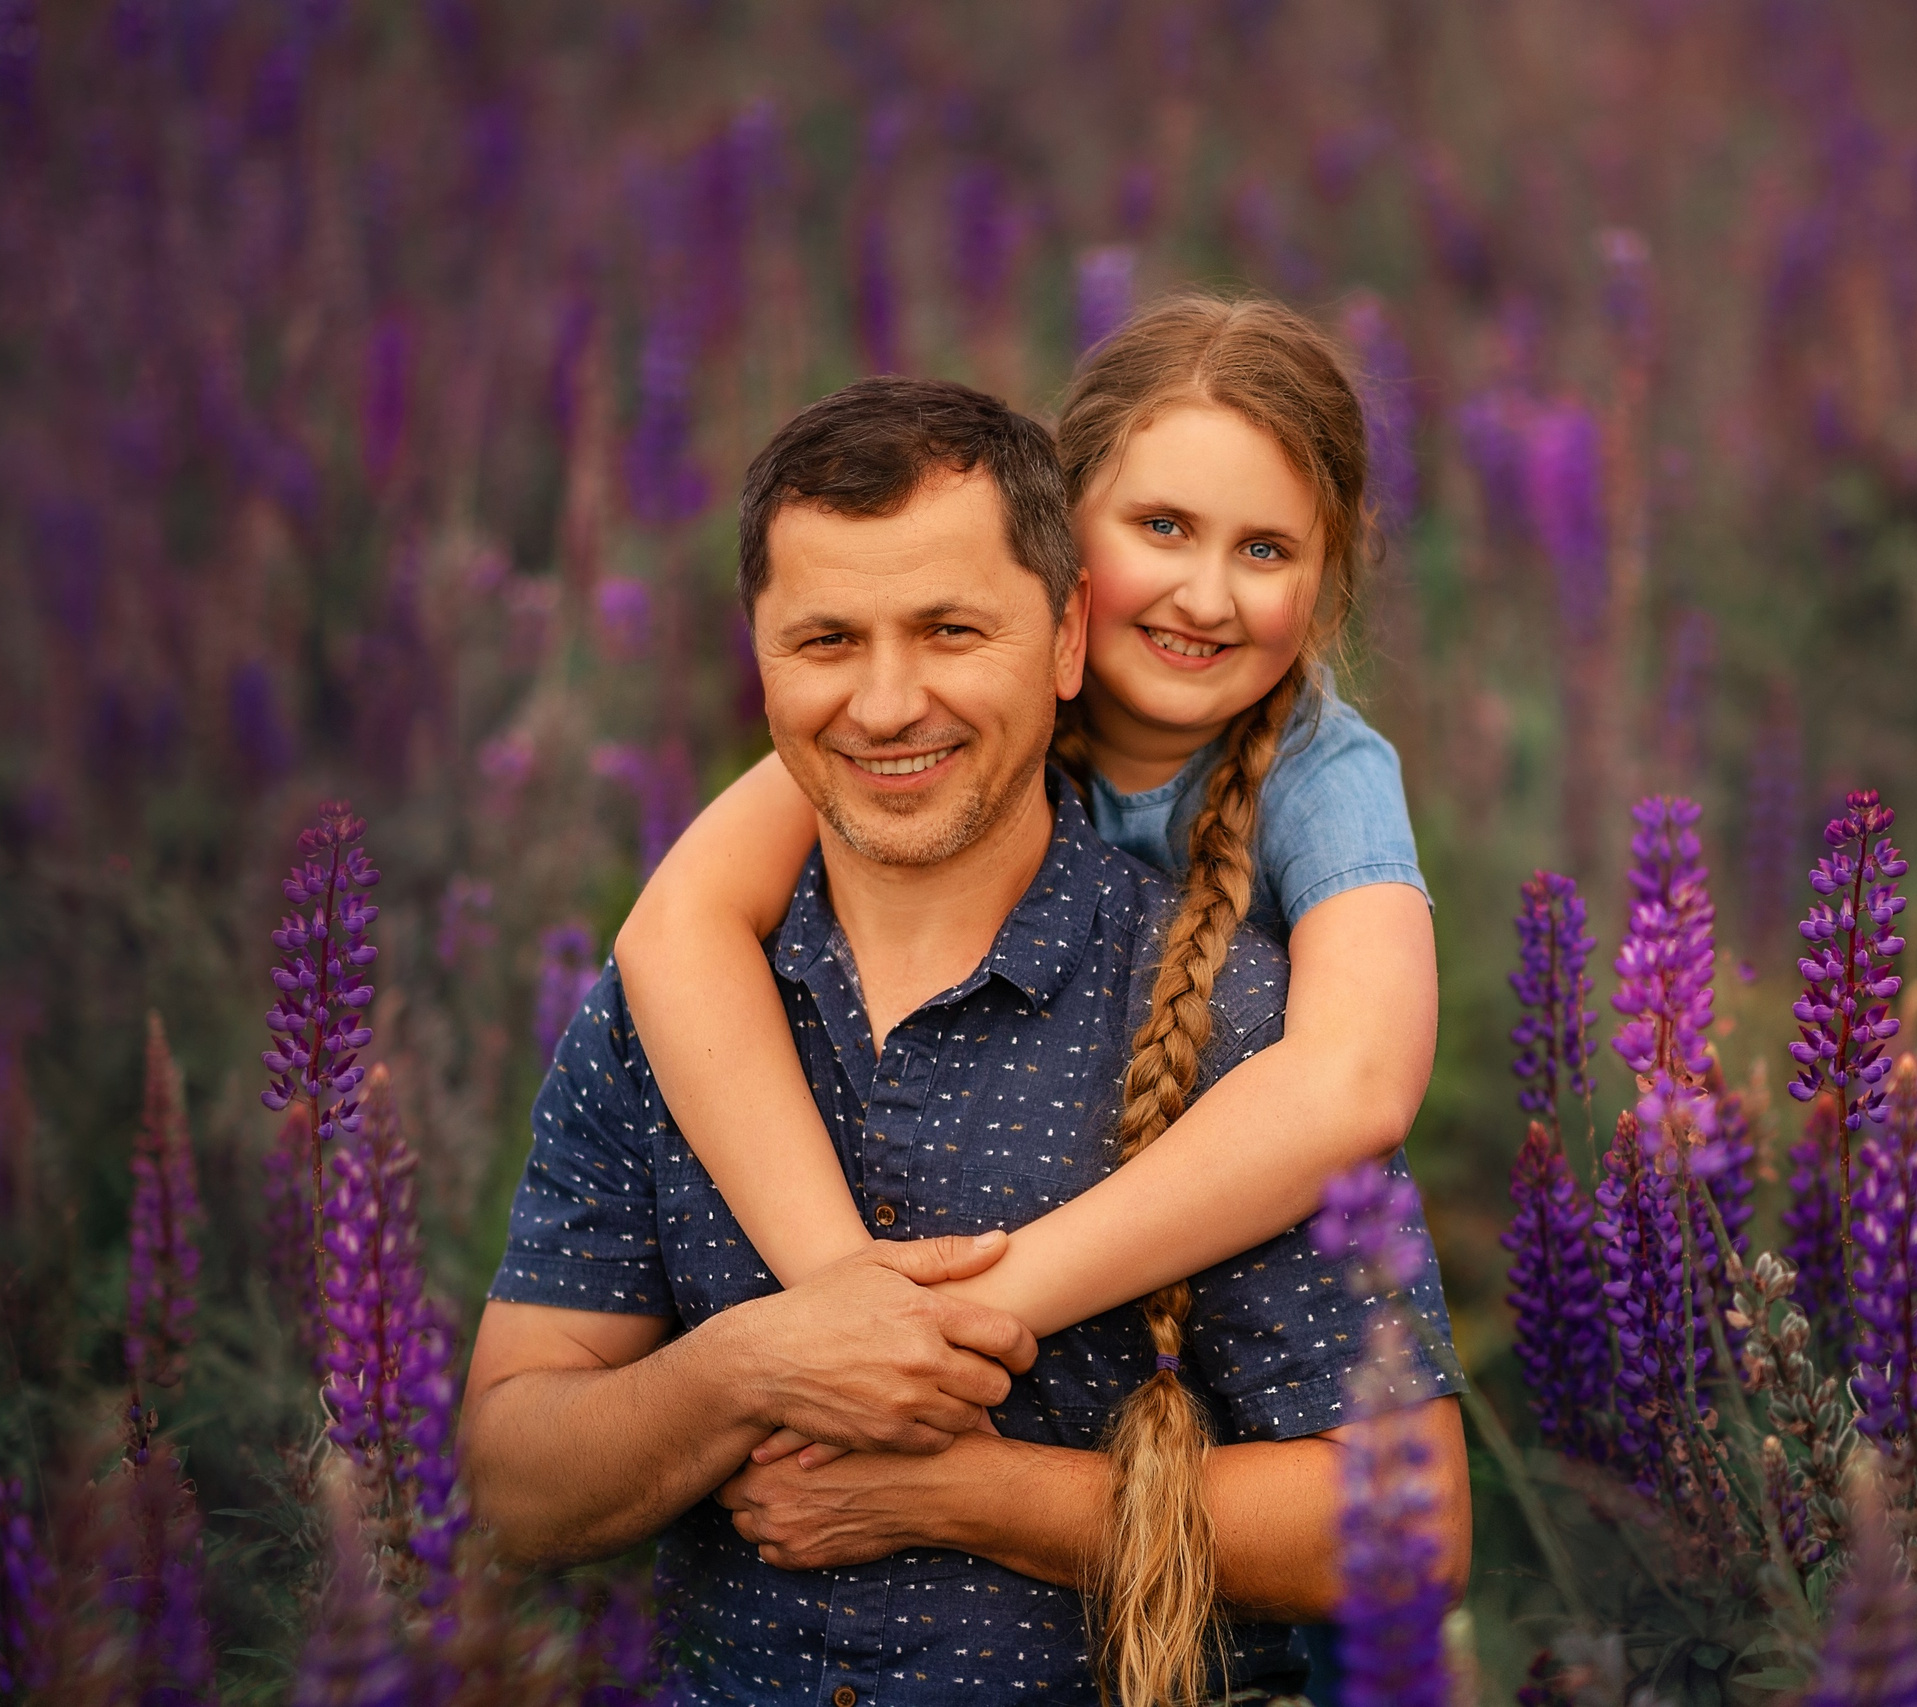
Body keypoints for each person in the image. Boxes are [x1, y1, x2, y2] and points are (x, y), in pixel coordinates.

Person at [460, 374, 1467, 1706]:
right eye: (825, 641)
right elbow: (508, 1485)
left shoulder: (1246, 1017)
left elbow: (1404, 1523)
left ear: (1066, 640)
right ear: (756, 655)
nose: (886, 705)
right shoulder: (668, 1009)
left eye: (950, 630)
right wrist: (762, 1361)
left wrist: (970, 1490)